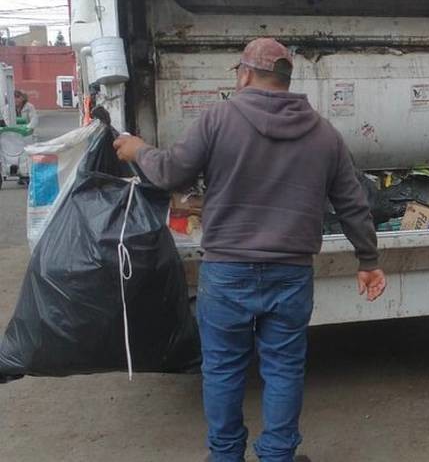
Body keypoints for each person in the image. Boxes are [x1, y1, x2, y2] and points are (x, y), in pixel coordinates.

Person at [113, 38, 387, 462]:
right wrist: (367, 260)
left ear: (244, 74)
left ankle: (225, 456)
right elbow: (353, 203)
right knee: (283, 369)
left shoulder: (219, 119)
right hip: (291, 273)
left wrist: (137, 150)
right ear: (287, 79)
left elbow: (170, 173)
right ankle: (277, 455)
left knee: (222, 369)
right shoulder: (323, 133)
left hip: (227, 271)